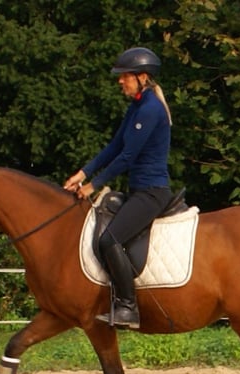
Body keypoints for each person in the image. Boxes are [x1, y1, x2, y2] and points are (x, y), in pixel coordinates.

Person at [64, 47, 173, 330]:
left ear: (142, 77)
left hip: (152, 193)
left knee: (109, 240)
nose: (120, 81)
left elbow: (128, 157)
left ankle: (128, 306)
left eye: (124, 76)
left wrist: (93, 186)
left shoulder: (150, 109)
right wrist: (83, 172)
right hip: (139, 190)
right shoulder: (137, 106)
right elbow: (115, 147)